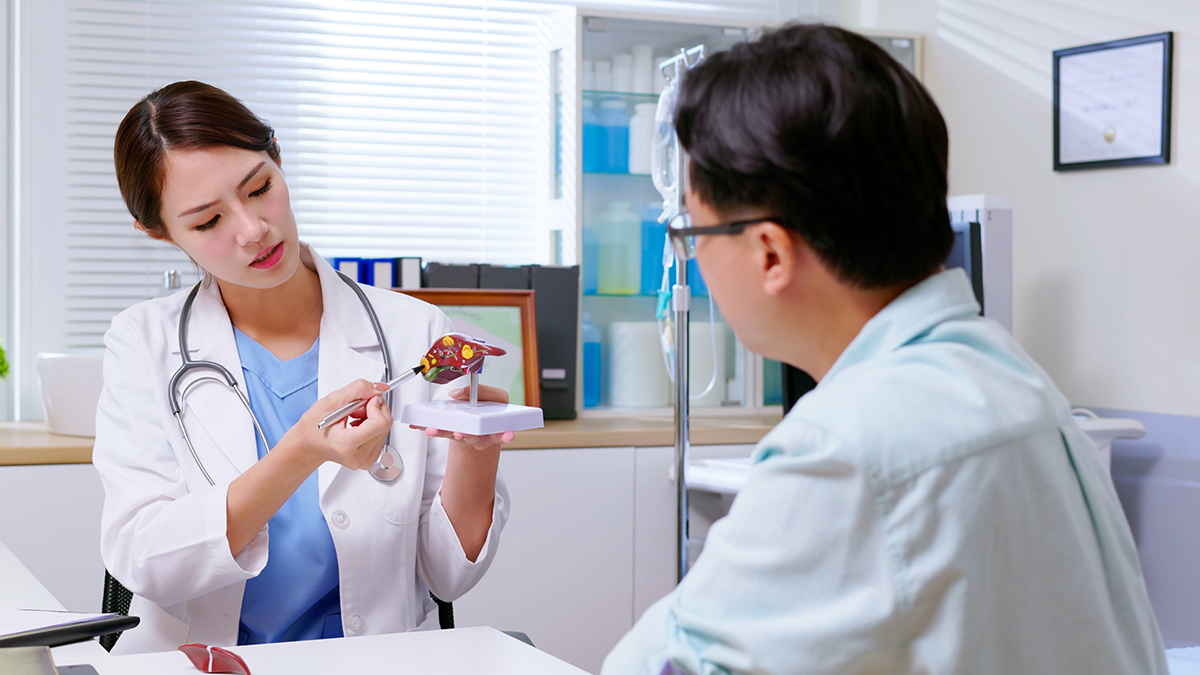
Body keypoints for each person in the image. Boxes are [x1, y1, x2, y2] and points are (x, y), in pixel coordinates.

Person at [603, 24, 1167, 675]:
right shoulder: (1021, 384)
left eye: (692, 232)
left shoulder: (846, 444)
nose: (693, 258)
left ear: (769, 253)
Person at [94, 80, 510, 654]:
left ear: (278, 160)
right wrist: (302, 453)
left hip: (371, 661)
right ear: (161, 234)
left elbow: (448, 575)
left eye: (260, 188)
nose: (252, 229)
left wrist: (476, 450)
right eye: (208, 222)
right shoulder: (143, 342)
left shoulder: (415, 333)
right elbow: (144, 562)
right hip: (211, 664)